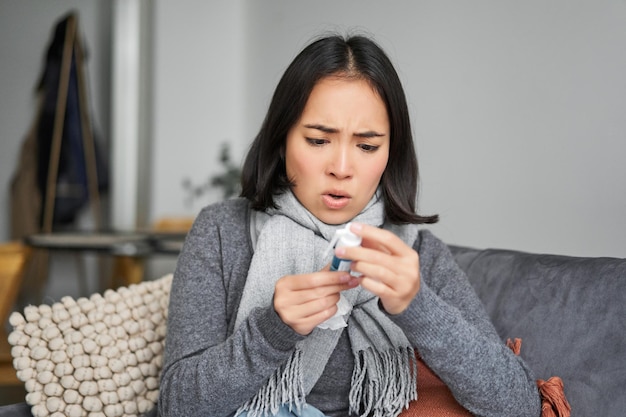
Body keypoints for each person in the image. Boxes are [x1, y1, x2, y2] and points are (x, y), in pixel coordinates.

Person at [158, 34, 541, 417]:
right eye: (318, 140)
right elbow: (178, 406)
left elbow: (520, 405)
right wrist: (271, 332)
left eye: (367, 146)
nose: (341, 168)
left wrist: (417, 307)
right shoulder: (223, 232)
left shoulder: (415, 253)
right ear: (281, 140)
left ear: (391, 154)